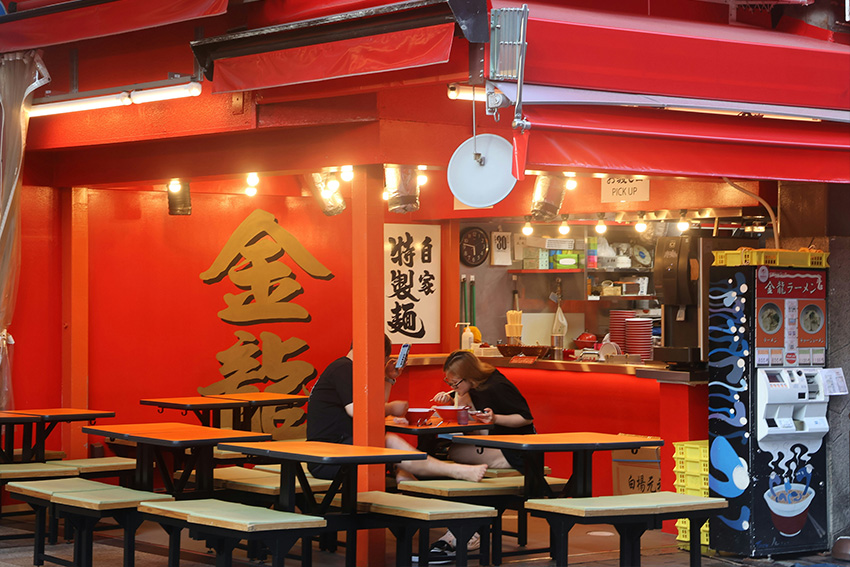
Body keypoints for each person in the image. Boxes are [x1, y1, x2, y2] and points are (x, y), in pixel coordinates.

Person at [305, 336, 488, 483]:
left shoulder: (345, 368)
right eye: (382, 361)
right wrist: (391, 408)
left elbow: (373, 409)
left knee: (387, 445)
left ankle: (406, 475)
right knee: (389, 441)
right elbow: (359, 411)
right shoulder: (344, 369)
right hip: (328, 458)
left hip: (339, 452)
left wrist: (389, 378)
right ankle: (455, 471)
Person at [426, 350, 535, 563]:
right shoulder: (473, 387)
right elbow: (469, 420)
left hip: (516, 451)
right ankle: (463, 528)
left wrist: (496, 418)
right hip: (491, 445)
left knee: (453, 455)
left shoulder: (496, 386)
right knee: (450, 456)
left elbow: (525, 418)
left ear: (469, 377)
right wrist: (451, 399)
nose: (452, 388)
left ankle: (467, 530)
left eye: (455, 383)